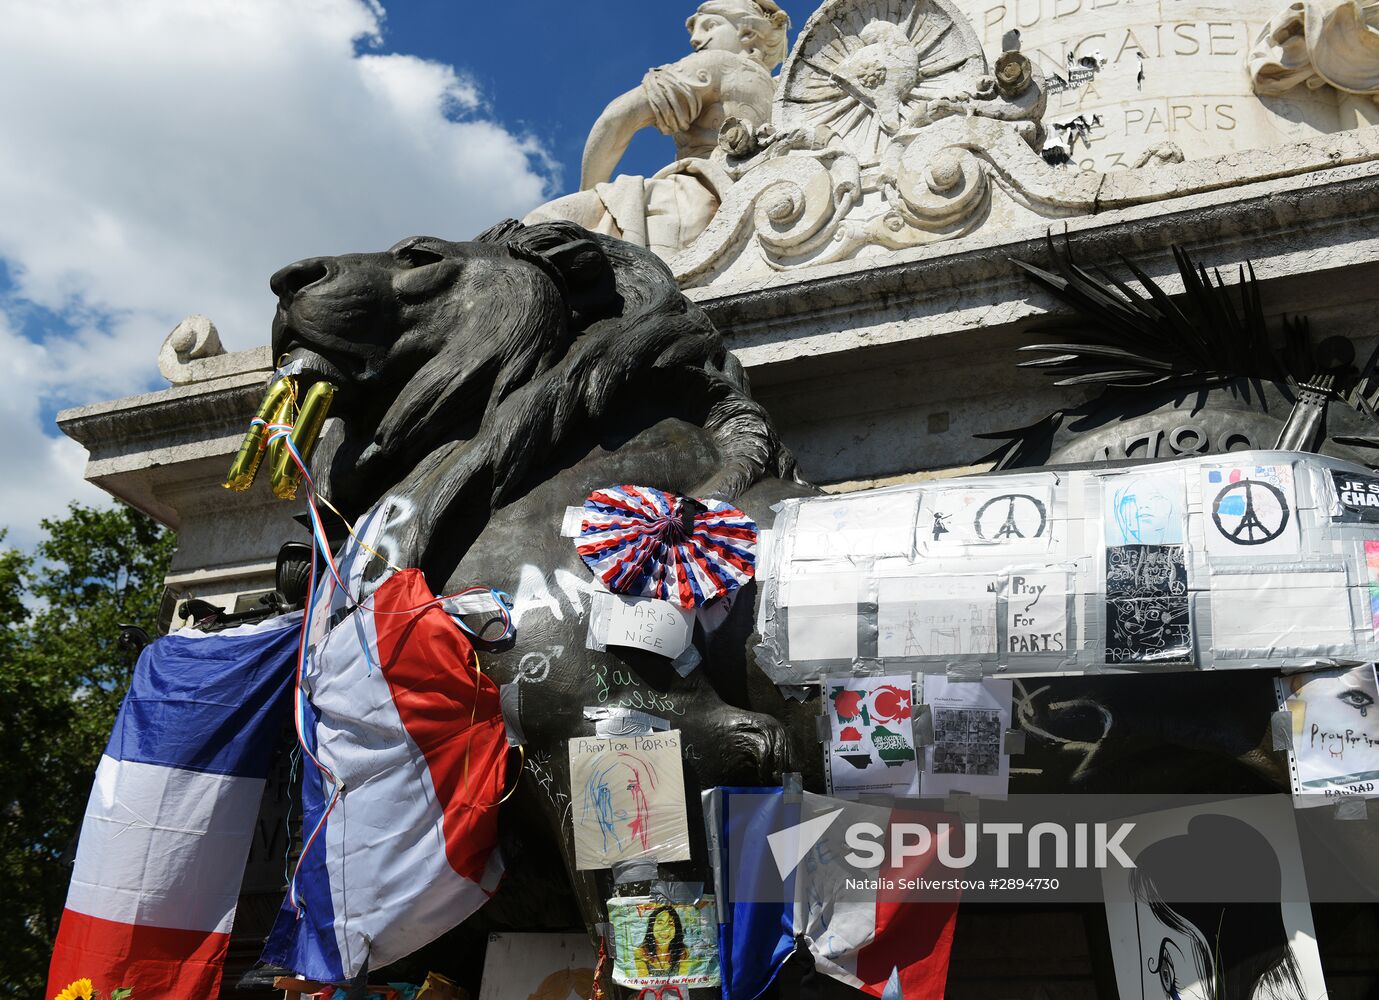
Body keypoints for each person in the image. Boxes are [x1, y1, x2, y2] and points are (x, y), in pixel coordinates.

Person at [524, 0, 790, 258]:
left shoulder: (719, 63)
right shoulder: (783, 93)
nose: (695, 39)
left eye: (709, 26)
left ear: (747, 32)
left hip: (684, 202)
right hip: (751, 208)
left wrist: (590, 198)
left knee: (541, 227)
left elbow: (617, 118)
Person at [633, 905, 688, 979]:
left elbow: (684, 980)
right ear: (652, 926)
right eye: (660, 923)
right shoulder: (641, 953)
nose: (665, 929)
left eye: (670, 923)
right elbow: (644, 981)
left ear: (676, 929)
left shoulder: (683, 953)